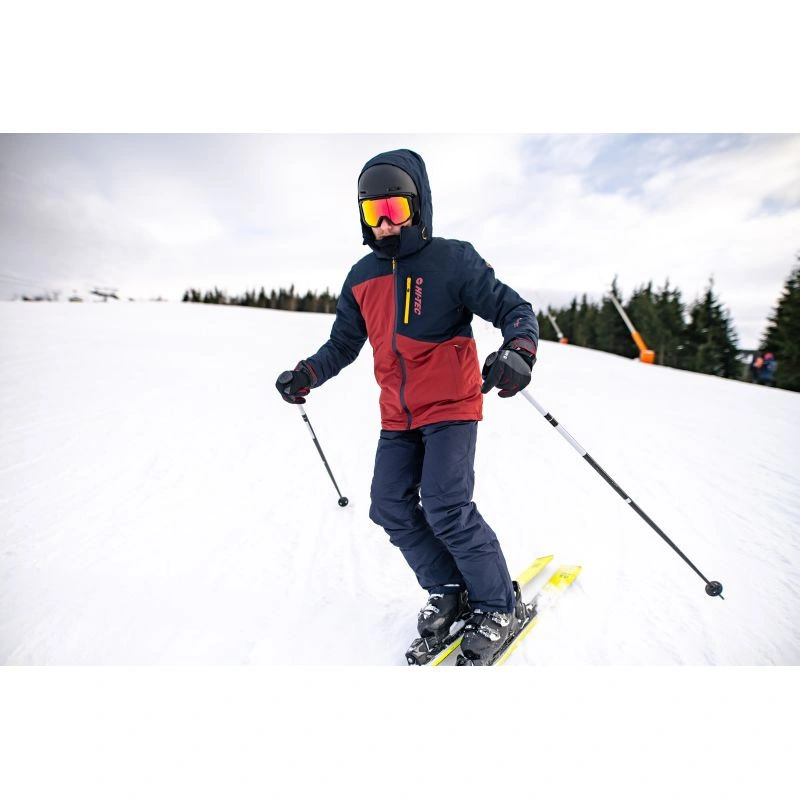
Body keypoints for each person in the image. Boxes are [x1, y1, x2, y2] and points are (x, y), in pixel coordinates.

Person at [276, 149, 539, 664]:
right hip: (398, 414)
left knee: (446, 506)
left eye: (394, 209)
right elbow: (343, 344)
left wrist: (519, 350)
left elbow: (514, 309)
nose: (385, 224)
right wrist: (308, 373)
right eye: (373, 213)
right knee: (388, 504)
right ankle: (448, 587)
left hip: (451, 404)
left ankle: (496, 605)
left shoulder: (452, 260)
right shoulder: (360, 277)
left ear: (418, 208)